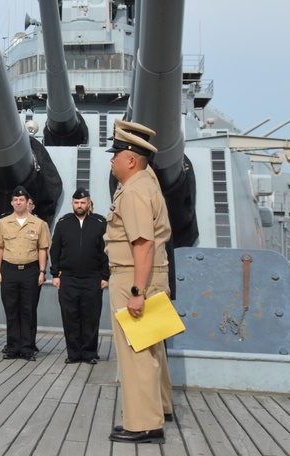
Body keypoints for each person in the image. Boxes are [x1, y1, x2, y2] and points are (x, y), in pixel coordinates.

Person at [105, 119, 172, 444]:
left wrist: (137, 292)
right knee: (153, 346)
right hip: (151, 273)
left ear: (131, 159)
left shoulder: (134, 192)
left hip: (134, 275)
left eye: (116, 155)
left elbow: (142, 243)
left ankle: (145, 423)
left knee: (137, 350)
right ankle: (159, 407)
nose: (112, 160)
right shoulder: (149, 183)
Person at [50, 187, 109, 364]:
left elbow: (106, 252)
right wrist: (55, 274)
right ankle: (73, 353)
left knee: (91, 317)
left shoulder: (100, 223)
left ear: (89, 203)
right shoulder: (63, 223)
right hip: (68, 277)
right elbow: (56, 251)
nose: (79, 205)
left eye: (83, 202)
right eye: (76, 202)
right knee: (70, 316)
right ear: (72, 204)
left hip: (93, 278)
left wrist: (105, 276)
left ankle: (89, 353)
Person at [0, 186, 51, 361]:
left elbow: (43, 249)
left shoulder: (39, 224)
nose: (18, 202)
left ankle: (27, 348)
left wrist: (42, 271)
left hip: (30, 271)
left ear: (28, 203)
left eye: (22, 200)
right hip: (9, 270)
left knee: (28, 310)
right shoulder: (3, 223)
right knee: (11, 310)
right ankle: (12, 347)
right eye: (15, 200)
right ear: (12, 202)